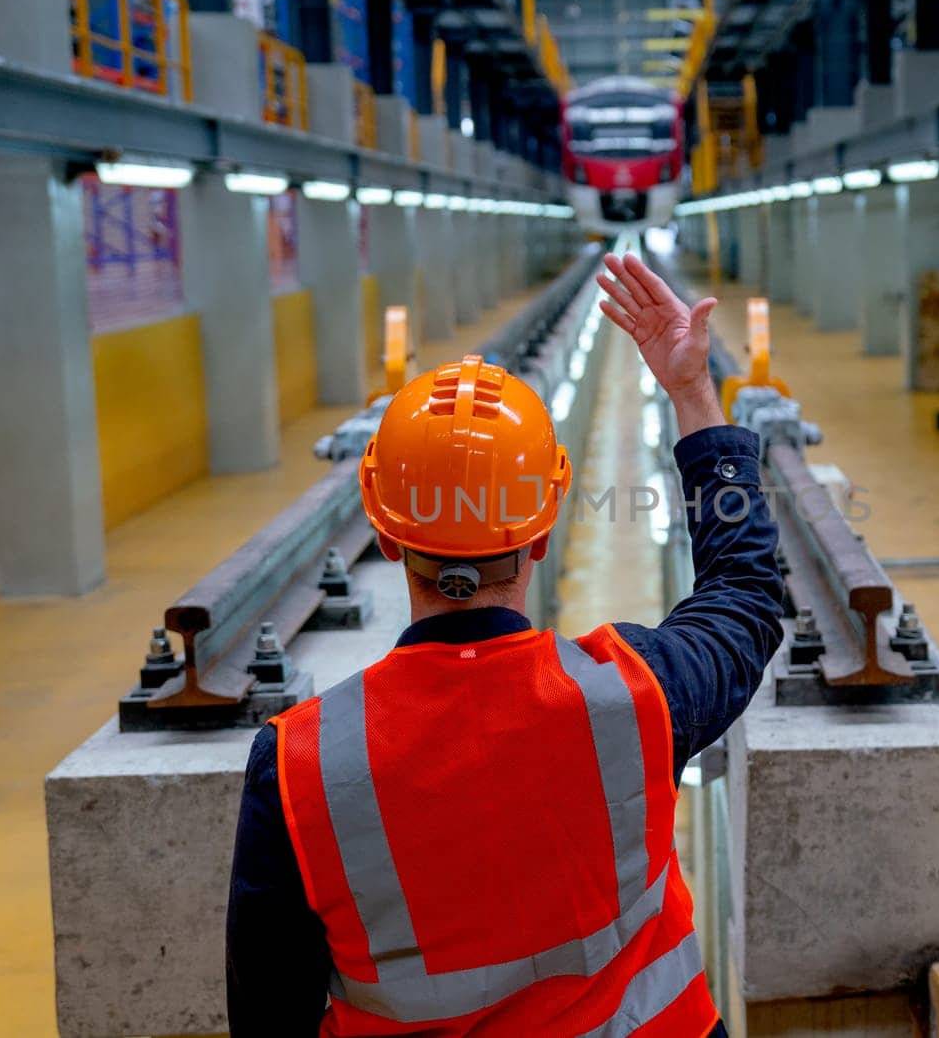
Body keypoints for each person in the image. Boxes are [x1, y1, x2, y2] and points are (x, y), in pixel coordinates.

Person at [227, 253, 784, 1036]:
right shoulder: (632, 697)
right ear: (543, 532)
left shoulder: (299, 771)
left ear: (386, 535)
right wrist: (692, 392)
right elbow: (747, 596)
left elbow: (269, 1020)